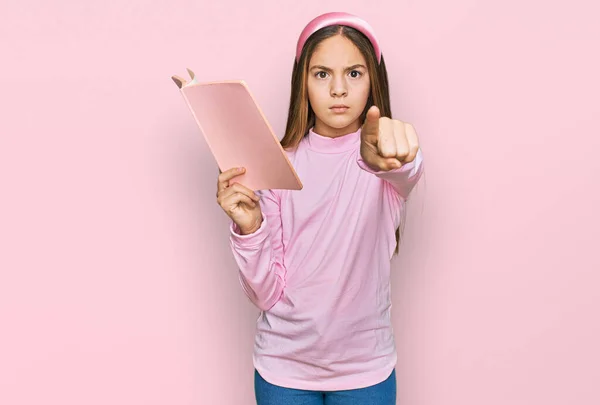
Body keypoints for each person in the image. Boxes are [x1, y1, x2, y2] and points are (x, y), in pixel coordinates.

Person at [215, 11, 425, 405]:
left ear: (373, 81)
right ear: (304, 82)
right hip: (283, 368)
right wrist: (251, 227)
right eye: (323, 74)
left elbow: (405, 170)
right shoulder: (277, 163)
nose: (339, 90)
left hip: (366, 370)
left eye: (355, 73)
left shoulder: (384, 158)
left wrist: (400, 158)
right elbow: (265, 294)